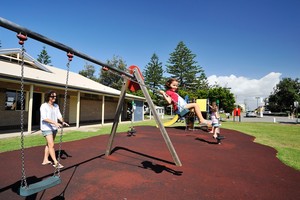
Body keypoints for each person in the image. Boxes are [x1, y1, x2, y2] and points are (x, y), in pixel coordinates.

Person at [40, 90, 69, 169]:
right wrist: (55, 123)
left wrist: (63, 122)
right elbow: (44, 118)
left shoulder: (56, 106)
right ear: (48, 97)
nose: (54, 98)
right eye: (53, 96)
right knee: (51, 145)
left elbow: (59, 116)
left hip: (54, 128)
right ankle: (56, 162)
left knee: (49, 144)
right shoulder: (44, 106)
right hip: (46, 127)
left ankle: (45, 160)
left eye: (55, 96)